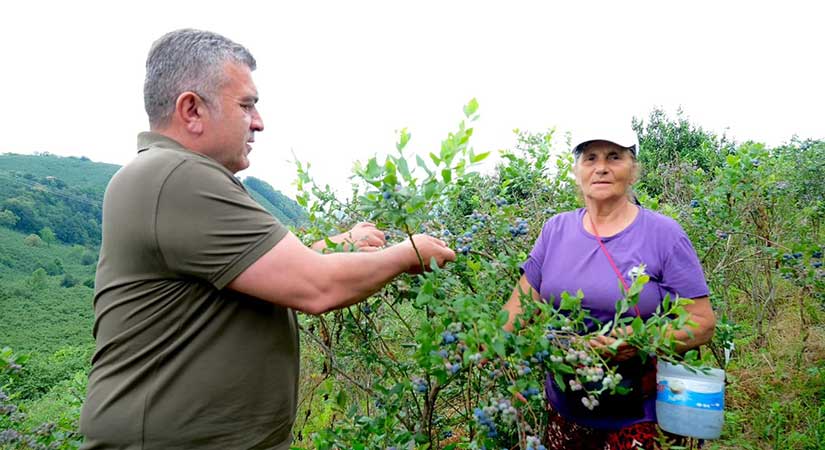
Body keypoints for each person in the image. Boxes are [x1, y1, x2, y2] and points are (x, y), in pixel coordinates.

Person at [79, 29, 455, 450]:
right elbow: (317, 287)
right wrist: (408, 253)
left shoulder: (168, 176)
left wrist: (337, 245)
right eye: (246, 105)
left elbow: (259, 270)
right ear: (191, 110)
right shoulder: (178, 178)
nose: (258, 121)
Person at [502, 125, 716, 450]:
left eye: (614, 156)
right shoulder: (555, 230)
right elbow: (518, 310)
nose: (601, 167)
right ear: (577, 171)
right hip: (565, 410)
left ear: (633, 169)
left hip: (640, 416)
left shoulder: (665, 235)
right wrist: (493, 348)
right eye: (591, 158)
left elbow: (702, 323)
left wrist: (642, 341)